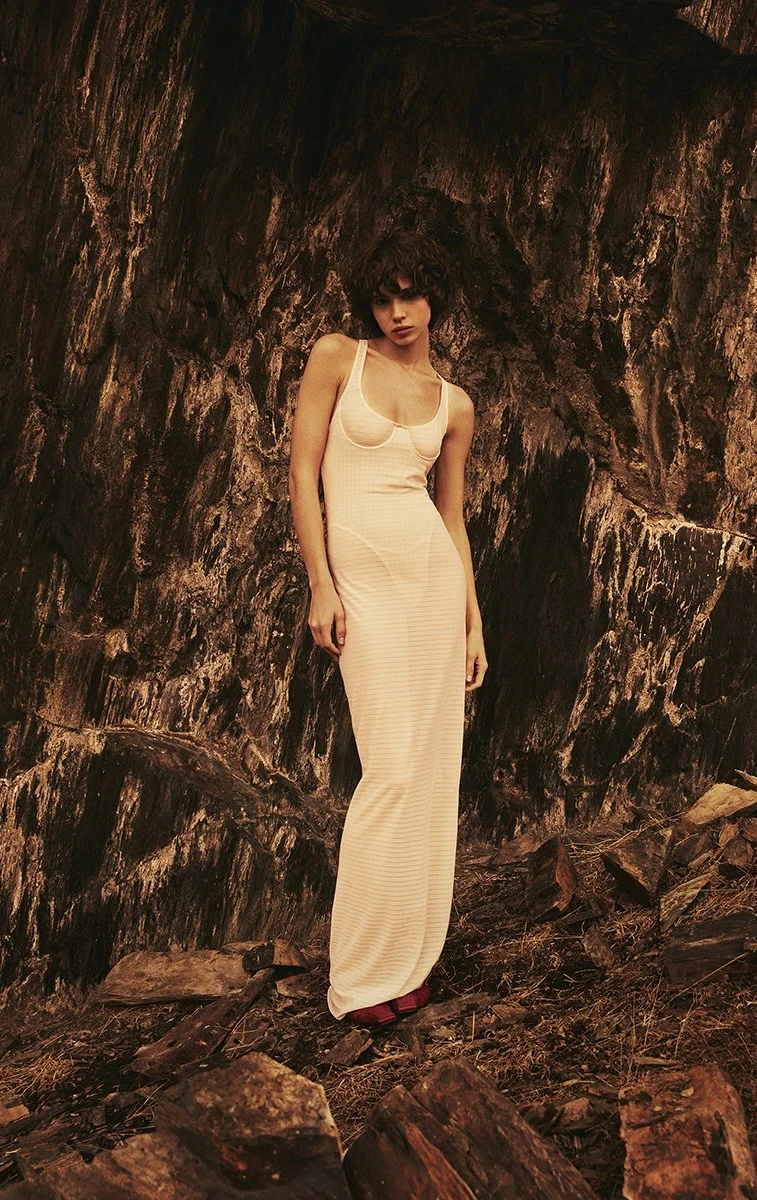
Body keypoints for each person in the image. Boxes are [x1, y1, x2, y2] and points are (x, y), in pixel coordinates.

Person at [288, 228, 487, 1026]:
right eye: (383, 297)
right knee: (392, 770)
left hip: (434, 589)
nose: (398, 312)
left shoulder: (455, 404)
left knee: (432, 774)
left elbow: (453, 518)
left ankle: (408, 960)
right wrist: (319, 586)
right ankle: (361, 976)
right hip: (362, 588)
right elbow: (304, 471)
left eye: (411, 295)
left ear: (435, 297)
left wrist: (473, 622)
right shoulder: (339, 358)